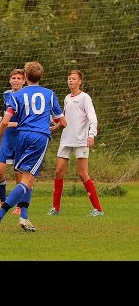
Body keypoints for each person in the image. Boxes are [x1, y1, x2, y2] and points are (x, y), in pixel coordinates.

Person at [0, 61, 67, 232]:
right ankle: (0, 215)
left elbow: (4, 122)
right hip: (38, 137)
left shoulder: (16, 96)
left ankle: (24, 217)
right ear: (41, 76)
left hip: (21, 137)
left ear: (25, 76)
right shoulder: (49, 94)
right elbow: (63, 122)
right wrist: (54, 129)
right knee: (28, 180)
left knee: (27, 178)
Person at [47, 69, 104, 217]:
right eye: (69, 78)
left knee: (82, 173)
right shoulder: (67, 98)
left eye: (73, 78)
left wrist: (91, 135)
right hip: (66, 139)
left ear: (80, 81)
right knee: (59, 171)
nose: (70, 80)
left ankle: (98, 209)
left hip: (81, 140)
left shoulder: (85, 98)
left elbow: (93, 118)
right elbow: (64, 119)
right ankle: (55, 208)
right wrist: (55, 126)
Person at [0, 68, 26, 216]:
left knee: (18, 174)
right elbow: (7, 116)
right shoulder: (6, 95)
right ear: (10, 80)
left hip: (21, 139)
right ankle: (2, 201)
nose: (16, 80)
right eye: (14, 78)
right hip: (7, 139)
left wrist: (8, 124)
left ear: (24, 81)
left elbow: (27, 122)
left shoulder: (26, 96)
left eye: (19, 78)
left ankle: (19, 205)